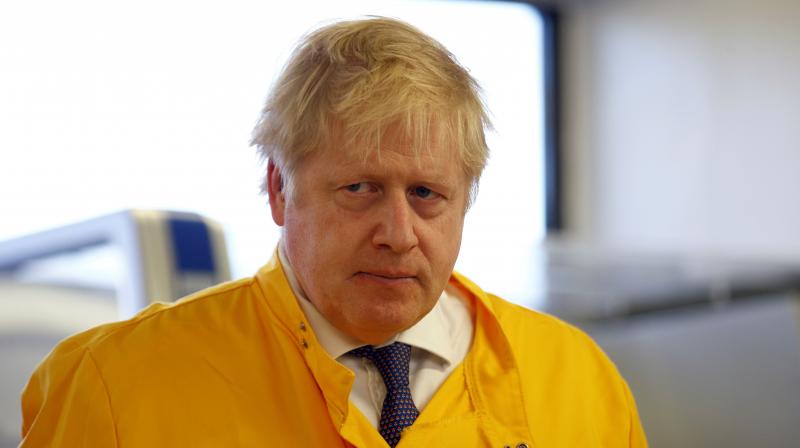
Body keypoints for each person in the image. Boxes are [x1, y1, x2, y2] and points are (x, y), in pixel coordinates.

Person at [20, 17, 647, 447]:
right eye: (360, 190)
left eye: (426, 194)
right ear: (277, 189)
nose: (398, 234)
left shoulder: (576, 379)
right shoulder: (114, 386)